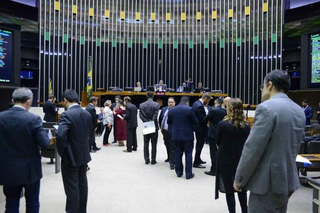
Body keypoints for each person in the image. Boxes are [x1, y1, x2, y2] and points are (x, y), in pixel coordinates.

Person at [234, 70, 306, 212]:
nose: (262, 90)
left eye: (263, 86)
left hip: (266, 183)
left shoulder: (266, 108)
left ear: (270, 85)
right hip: (287, 179)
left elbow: (252, 149)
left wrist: (239, 178)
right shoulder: (299, 110)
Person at [0, 87, 50, 213]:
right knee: (32, 202)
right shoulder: (34, 119)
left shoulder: (1, 117)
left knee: (11, 203)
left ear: (13, 100)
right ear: (29, 102)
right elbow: (44, 143)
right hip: (30, 170)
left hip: (7, 168)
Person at [56, 89, 92, 213]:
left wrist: (62, 152)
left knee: (72, 189)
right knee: (82, 186)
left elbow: (60, 136)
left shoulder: (66, 115)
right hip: (83, 155)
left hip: (70, 158)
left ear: (65, 100)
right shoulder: (87, 113)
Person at [215, 98, 250, 213]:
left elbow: (217, 142)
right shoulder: (247, 125)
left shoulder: (222, 124)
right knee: (241, 189)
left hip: (226, 159)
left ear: (230, 109)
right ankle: (245, 211)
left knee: (229, 190)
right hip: (241, 159)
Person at [167, 96, 199, 179]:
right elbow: (196, 122)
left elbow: (169, 122)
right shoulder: (190, 109)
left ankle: (179, 172)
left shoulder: (172, 110)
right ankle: (188, 174)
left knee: (178, 154)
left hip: (176, 135)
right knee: (188, 155)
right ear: (187, 102)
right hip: (187, 135)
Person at [203, 98, 227, 176]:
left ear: (215, 103)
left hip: (213, 133)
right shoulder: (225, 111)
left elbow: (205, 119)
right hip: (222, 133)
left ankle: (214, 170)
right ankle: (220, 169)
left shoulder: (213, 110)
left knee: (213, 152)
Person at [139, 91, 160, 165]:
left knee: (146, 143)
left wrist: (147, 121)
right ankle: (153, 160)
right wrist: (151, 121)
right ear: (153, 96)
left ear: (146, 96)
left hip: (146, 126)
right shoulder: (157, 105)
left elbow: (141, 116)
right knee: (154, 144)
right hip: (153, 126)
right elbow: (155, 116)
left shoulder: (141, 105)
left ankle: (146, 159)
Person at [192, 92, 212, 168]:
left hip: (197, 127)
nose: (208, 102)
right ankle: (196, 162)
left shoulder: (195, 103)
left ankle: (198, 158)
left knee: (199, 144)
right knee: (199, 145)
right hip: (200, 128)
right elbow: (202, 119)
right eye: (208, 101)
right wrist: (209, 117)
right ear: (206, 99)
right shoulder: (200, 106)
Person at [159, 97, 176, 170]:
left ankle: (172, 163)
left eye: (172, 102)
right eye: (169, 102)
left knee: (172, 146)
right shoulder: (164, 109)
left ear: (175, 103)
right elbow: (160, 118)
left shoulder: (176, 110)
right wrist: (161, 128)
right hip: (165, 131)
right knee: (167, 144)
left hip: (172, 131)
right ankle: (169, 157)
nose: (170, 104)